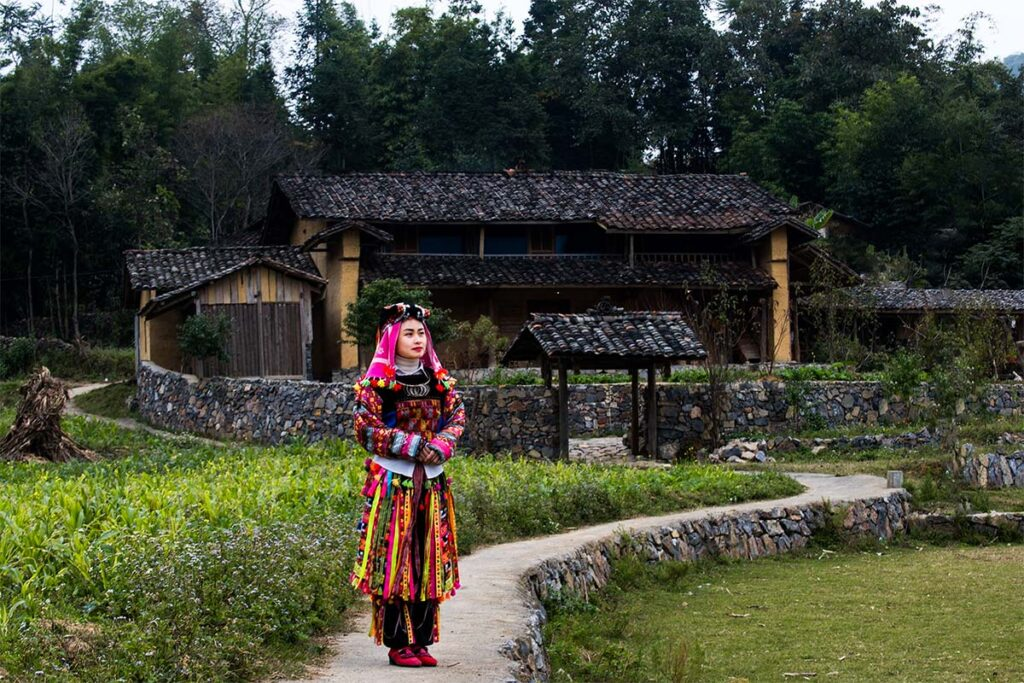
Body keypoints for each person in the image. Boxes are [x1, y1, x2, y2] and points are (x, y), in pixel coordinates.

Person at [348, 302, 466, 668]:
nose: (417, 339)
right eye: (408, 333)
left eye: (420, 333)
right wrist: (415, 447)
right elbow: (365, 429)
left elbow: (457, 417)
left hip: (431, 485)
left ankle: (423, 641)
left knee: (429, 557)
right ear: (391, 338)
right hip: (393, 483)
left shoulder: (439, 382)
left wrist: (442, 445)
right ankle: (399, 643)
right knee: (396, 559)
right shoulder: (378, 386)